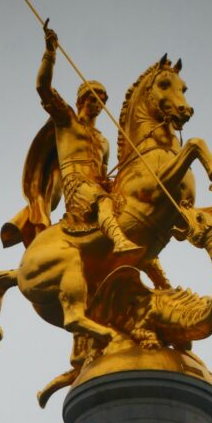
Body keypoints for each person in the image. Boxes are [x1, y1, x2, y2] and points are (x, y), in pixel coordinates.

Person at [36, 23, 140, 255]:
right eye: (94, 99)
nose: (99, 105)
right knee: (102, 201)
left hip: (96, 186)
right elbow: (43, 88)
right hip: (76, 187)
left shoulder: (103, 141)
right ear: (82, 100)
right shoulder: (67, 121)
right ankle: (119, 242)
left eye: (102, 101)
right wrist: (50, 54)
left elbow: (103, 175)